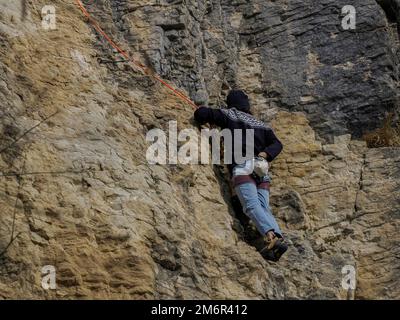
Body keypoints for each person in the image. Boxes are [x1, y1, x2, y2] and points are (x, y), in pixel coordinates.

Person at [194, 89, 288, 261]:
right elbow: (278, 144)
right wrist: (265, 154)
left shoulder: (230, 114)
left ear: (231, 102)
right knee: (263, 207)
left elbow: (201, 114)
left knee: (251, 206)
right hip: (261, 170)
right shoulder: (261, 124)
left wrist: (201, 108)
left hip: (243, 166)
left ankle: (271, 238)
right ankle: (278, 238)